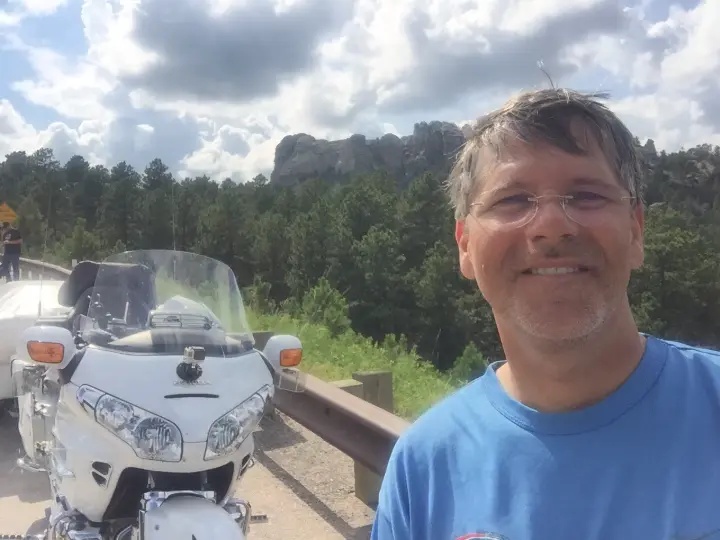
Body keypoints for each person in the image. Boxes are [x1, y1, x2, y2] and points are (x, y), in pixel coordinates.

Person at [371, 88, 720, 540]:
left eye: (586, 195)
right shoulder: (423, 466)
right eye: (512, 200)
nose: (552, 226)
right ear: (465, 245)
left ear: (636, 231)